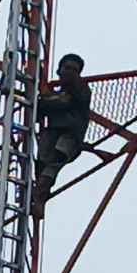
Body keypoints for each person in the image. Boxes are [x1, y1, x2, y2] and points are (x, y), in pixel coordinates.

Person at [32, 54, 91, 218]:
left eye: (74, 70)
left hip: (70, 134)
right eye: (67, 68)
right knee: (43, 163)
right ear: (59, 71)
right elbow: (40, 111)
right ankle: (39, 198)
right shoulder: (56, 95)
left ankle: (38, 194)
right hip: (53, 132)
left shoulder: (81, 89)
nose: (70, 72)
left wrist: (44, 94)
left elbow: (62, 101)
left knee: (55, 162)